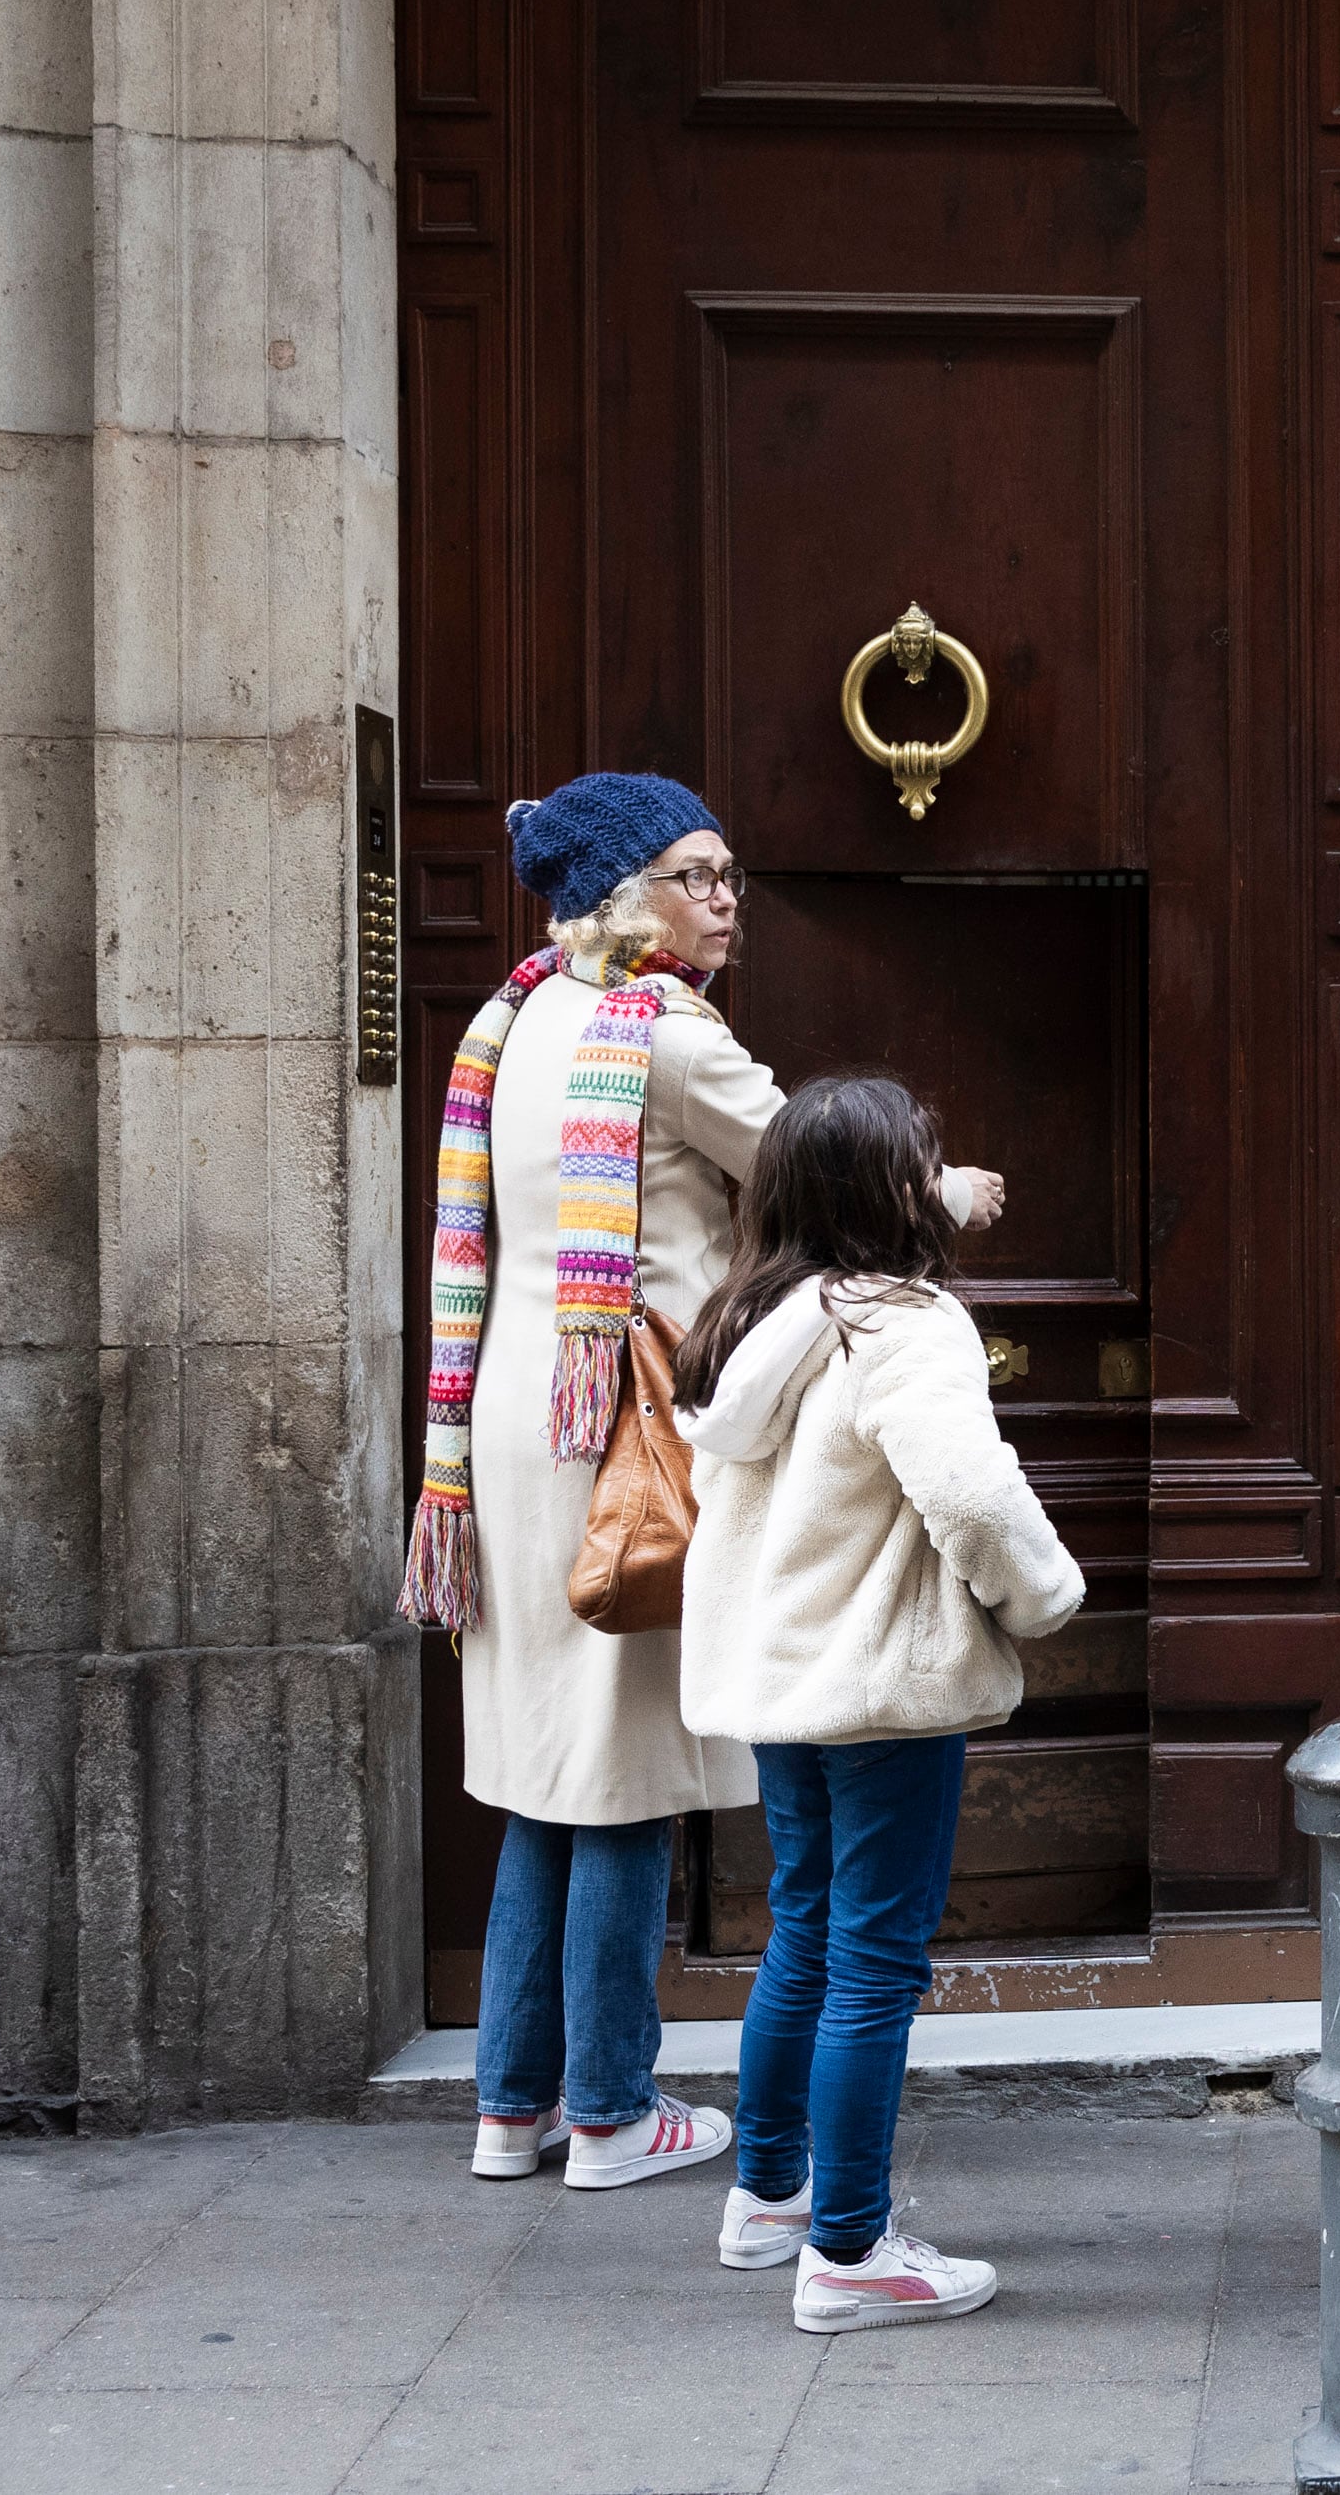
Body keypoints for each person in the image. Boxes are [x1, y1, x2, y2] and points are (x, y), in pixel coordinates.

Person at [414, 771, 998, 2193]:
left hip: (511, 1414)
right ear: (625, 897)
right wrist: (955, 1194)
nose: (724, 898)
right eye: (695, 873)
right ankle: (610, 2107)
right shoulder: (661, 1033)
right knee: (616, 1772)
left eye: (729, 872)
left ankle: (512, 2103)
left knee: (540, 1772)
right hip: (624, 1430)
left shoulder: (515, 1020)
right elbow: (819, 1176)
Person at [676, 1073, 1085, 2333]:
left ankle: (771, 2192)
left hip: (785, 1684)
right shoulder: (901, 1323)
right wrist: (1043, 1596)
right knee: (872, 1962)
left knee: (804, 1928)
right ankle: (850, 2253)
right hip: (882, 1687)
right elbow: (969, 1494)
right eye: (922, 1162)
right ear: (879, 1190)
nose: (935, 1178)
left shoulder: (753, 1320)